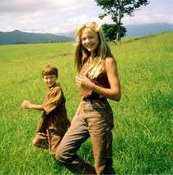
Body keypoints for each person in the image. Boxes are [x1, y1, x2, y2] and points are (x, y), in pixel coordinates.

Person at [55, 22, 121, 174]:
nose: (87, 41)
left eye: (91, 37)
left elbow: (117, 94)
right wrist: (78, 114)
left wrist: (92, 86)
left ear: (99, 37)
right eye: (83, 39)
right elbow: (85, 95)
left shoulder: (108, 61)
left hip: (99, 114)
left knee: (102, 166)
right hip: (84, 111)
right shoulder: (86, 60)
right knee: (62, 153)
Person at [21, 64, 70, 155]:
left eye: (51, 77)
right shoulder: (51, 89)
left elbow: (47, 107)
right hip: (49, 125)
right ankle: (62, 148)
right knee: (37, 141)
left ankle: (65, 155)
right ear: (43, 79)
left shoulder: (57, 90)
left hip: (57, 126)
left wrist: (29, 105)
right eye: (46, 78)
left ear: (56, 77)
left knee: (58, 153)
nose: (49, 80)